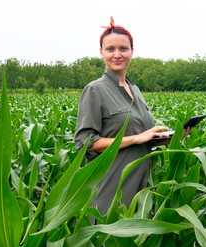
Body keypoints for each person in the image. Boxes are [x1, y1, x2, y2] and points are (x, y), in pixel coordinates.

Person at [74, 17, 176, 216]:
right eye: (110, 49)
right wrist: (137, 138)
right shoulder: (95, 90)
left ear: (132, 51)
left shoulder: (135, 89)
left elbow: (139, 139)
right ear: (101, 53)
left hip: (139, 188)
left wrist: (167, 138)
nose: (117, 54)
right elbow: (85, 142)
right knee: (108, 241)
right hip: (110, 188)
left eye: (123, 48)